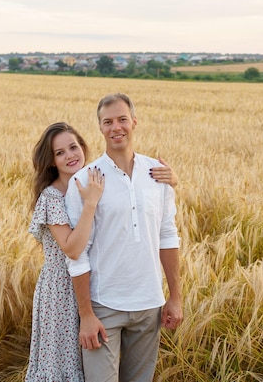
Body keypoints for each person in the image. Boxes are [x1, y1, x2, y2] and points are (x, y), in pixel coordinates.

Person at [26, 122, 178, 381]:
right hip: (62, 293)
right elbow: (73, 249)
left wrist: (173, 181)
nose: (70, 155)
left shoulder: (93, 178)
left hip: (94, 285)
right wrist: (90, 203)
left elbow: (144, 211)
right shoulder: (53, 197)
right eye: (59, 152)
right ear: (51, 161)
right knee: (63, 368)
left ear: (83, 147)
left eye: (73, 147)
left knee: (89, 368)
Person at [66, 93, 183, 382]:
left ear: (134, 122)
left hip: (149, 304)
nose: (116, 127)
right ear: (100, 128)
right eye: (108, 122)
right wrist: (87, 315)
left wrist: (175, 297)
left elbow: (167, 236)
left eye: (121, 119)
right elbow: (78, 254)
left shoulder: (158, 174)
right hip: (105, 305)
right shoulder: (84, 180)